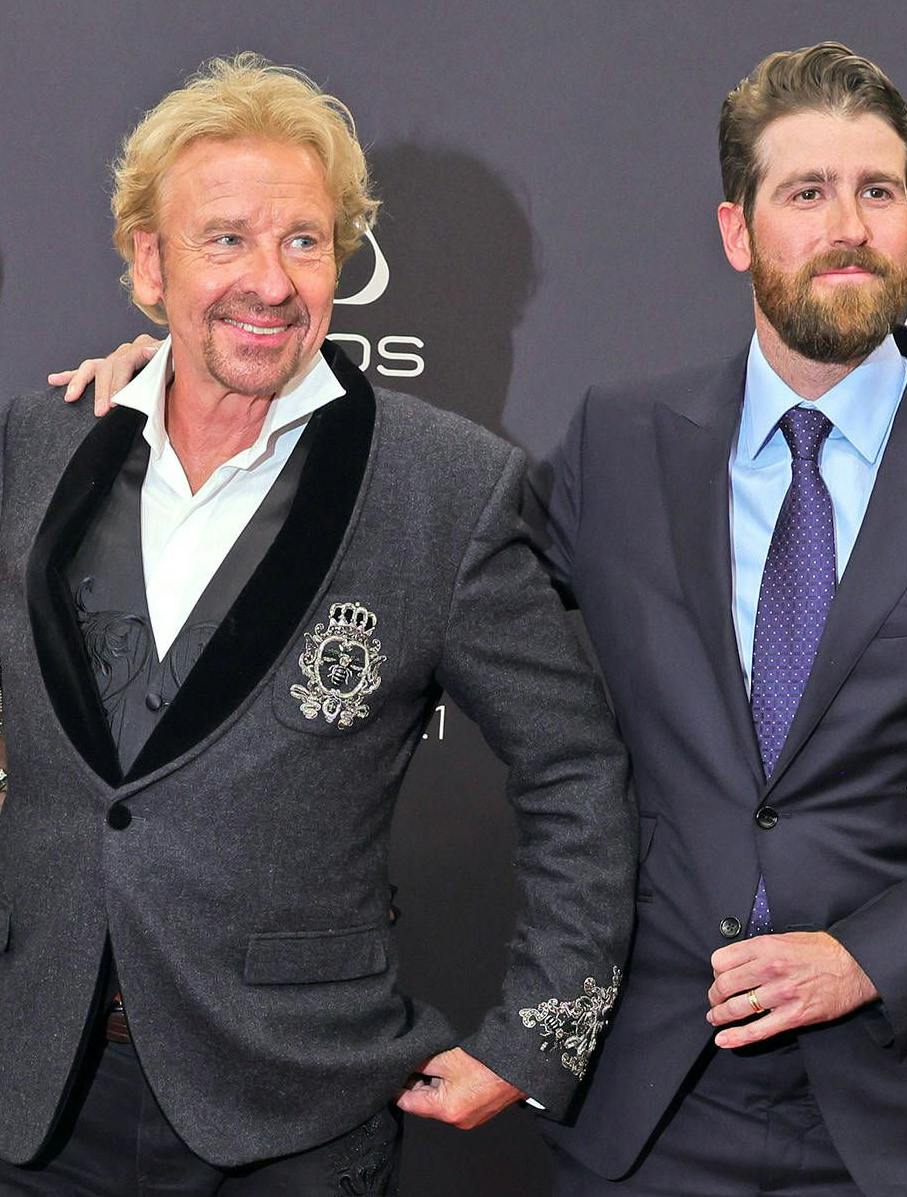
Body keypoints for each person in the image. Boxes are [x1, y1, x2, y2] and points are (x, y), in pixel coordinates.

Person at [61, 41, 907, 1197]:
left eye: (877, 192)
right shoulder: (626, 443)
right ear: (738, 232)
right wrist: (187, 391)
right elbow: (414, 537)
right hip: (652, 1096)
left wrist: (870, 960)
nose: (848, 226)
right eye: (806, 192)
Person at [3, 54, 635, 1195]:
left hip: (291, 1112)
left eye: (305, 241)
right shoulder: (43, 449)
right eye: (227, 239)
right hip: (35, 1098)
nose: (271, 280)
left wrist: (541, 1034)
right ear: (149, 264)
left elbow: (578, 770)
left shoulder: (447, 487)